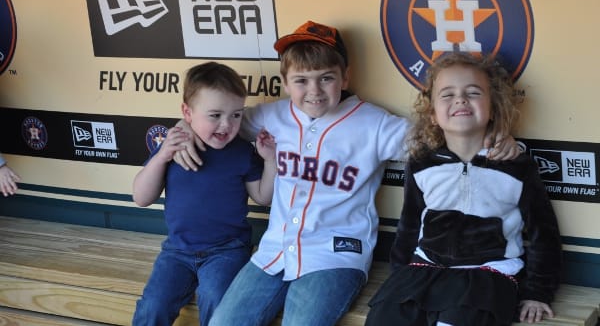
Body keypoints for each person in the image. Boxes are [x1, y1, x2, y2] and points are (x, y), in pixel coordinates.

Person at [172, 21, 521, 326]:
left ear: (346, 76)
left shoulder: (374, 124)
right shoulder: (269, 117)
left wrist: (494, 139)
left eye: (326, 79)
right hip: (273, 253)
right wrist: (184, 128)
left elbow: (440, 137)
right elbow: (214, 121)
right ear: (285, 81)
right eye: (301, 81)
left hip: (335, 256)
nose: (314, 91)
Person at [365, 52, 562, 326]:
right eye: (447, 94)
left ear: (493, 108)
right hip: (426, 268)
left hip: (488, 273)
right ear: (432, 114)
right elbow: (409, 227)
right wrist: (400, 279)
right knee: (385, 318)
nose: (460, 99)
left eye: (473, 92)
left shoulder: (517, 166)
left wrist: (537, 293)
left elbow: (545, 236)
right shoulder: (422, 163)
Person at [131, 62, 277, 326]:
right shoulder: (175, 147)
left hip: (227, 250)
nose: (226, 125)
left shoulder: (242, 151)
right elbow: (141, 197)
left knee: (217, 297)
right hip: (177, 251)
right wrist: (162, 156)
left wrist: (270, 162)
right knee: (153, 305)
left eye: (236, 115)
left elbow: (263, 196)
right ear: (187, 112)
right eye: (215, 115)